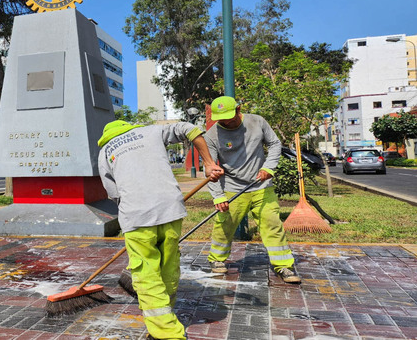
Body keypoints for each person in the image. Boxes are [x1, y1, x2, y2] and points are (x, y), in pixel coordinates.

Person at [97, 120, 223, 340]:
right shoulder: (152, 131)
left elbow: (113, 192)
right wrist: (209, 163)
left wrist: (132, 211)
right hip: (170, 209)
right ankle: (166, 313)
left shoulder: (105, 151)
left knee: (146, 274)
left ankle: (166, 333)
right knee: (168, 264)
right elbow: (190, 129)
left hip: (136, 216)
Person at [204, 96, 301, 284]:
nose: (226, 122)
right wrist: (217, 196)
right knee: (224, 225)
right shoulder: (211, 136)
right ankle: (216, 260)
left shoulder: (257, 121)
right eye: (221, 119)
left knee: (272, 222)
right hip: (231, 188)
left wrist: (268, 167)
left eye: (229, 117)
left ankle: (284, 266)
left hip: (261, 185)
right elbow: (210, 169)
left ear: (239, 109)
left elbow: (274, 144)